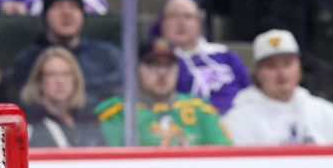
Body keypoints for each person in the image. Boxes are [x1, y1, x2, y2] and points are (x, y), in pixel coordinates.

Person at [7, 0, 120, 111]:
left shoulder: (106, 55)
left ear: (82, 15)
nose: (66, 12)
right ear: (45, 15)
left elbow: (121, 93)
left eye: (73, 6)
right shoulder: (29, 60)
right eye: (58, 6)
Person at [95, 39, 231, 147]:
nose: (162, 73)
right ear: (135, 69)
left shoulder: (201, 110)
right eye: (152, 65)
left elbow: (227, 156)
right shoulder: (116, 111)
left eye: (168, 65)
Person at [222, 29, 333, 146]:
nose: (282, 73)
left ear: (299, 68)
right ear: (257, 73)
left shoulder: (329, 113)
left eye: (287, 64)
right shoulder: (238, 120)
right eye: (271, 66)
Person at [156, 0, 250, 115]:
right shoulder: (155, 61)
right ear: (162, 23)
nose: (181, 22)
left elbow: (249, 91)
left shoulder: (225, 55)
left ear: (199, 24)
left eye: (188, 16)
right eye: (173, 16)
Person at [20, 46, 102, 147]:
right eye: (51, 74)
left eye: (66, 74)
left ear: (75, 80)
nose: (60, 81)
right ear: (39, 81)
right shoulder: (29, 123)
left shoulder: (88, 119)